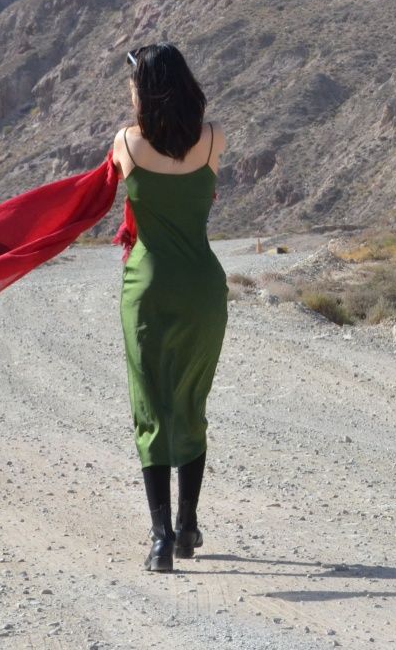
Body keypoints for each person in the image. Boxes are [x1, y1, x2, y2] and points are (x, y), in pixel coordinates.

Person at [111, 43, 229, 572]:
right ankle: (187, 527)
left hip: (148, 287)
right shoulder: (213, 139)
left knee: (152, 405)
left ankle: (160, 540)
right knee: (191, 401)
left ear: (145, 89)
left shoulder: (127, 144)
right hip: (202, 287)